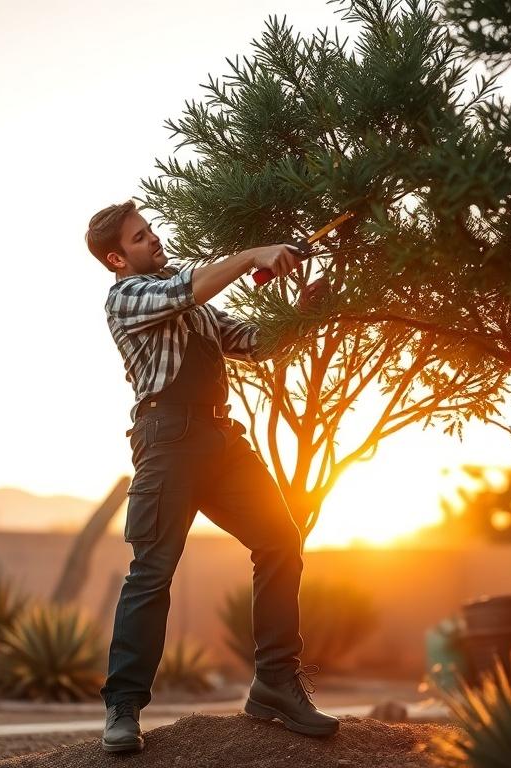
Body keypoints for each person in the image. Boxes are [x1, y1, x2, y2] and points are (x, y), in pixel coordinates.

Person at [85, 200, 339, 754]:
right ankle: (122, 708)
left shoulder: (191, 306)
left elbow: (254, 344)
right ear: (116, 259)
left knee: (279, 540)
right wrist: (252, 255)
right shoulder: (126, 298)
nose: (153, 239)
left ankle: (274, 682)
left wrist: (301, 312)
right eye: (138, 238)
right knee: (151, 573)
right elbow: (188, 291)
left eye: (150, 230)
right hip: (165, 443)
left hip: (222, 442)